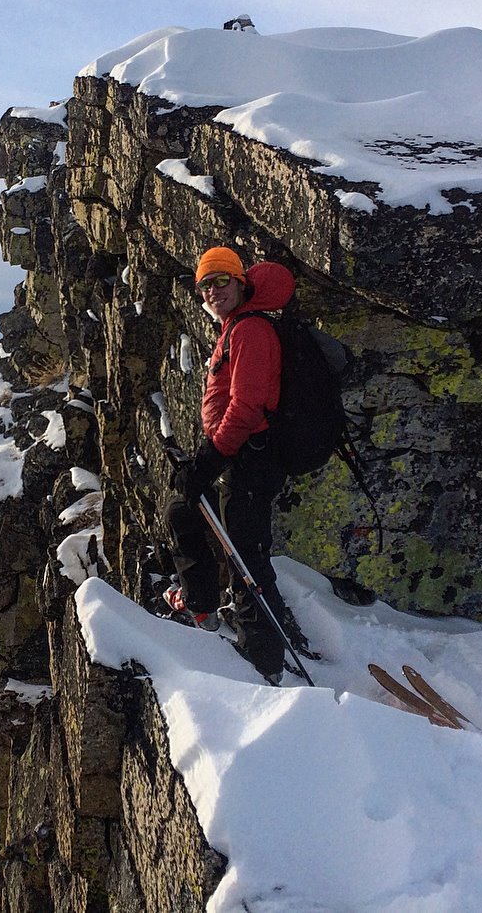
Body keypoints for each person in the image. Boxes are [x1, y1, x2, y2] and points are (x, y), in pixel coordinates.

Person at [164, 246, 295, 683]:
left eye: (222, 280)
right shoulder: (235, 327)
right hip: (239, 452)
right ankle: (201, 607)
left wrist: (209, 459)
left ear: (241, 282)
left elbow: (246, 405)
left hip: (254, 456)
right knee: (183, 512)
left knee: (246, 555)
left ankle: (264, 661)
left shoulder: (251, 330)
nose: (213, 290)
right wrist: (209, 458)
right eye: (205, 284)